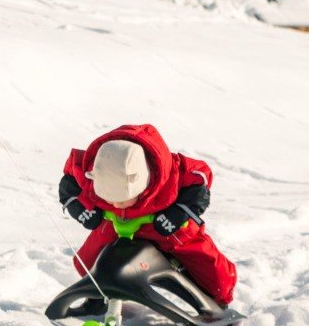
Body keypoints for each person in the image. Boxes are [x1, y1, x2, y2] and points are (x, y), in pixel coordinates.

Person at [58, 124, 237, 307]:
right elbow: (70, 179)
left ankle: (215, 297)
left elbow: (200, 178)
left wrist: (179, 212)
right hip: (116, 223)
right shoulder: (95, 168)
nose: (115, 204)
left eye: (122, 199)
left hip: (164, 224)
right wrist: (78, 207)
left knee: (212, 273)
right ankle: (101, 292)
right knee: (87, 263)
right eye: (109, 198)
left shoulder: (171, 174)